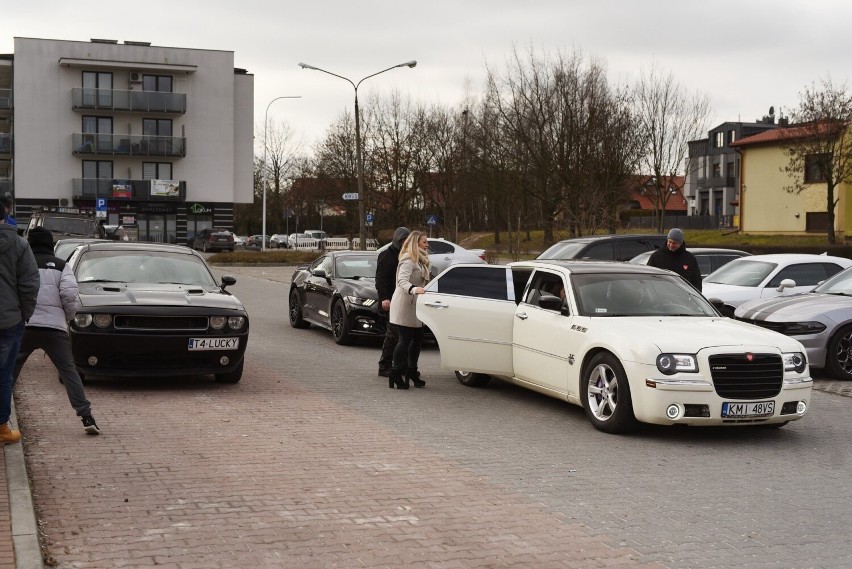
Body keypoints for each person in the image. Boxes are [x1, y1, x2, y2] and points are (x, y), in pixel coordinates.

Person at [13, 228, 100, 434]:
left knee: (9, 371)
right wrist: (67, 318)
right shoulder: (62, 266)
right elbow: (69, 295)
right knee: (69, 372)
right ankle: (86, 416)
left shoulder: (20, 265)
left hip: (25, 326)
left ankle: (2, 418)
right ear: (51, 244)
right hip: (54, 329)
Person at [0, 216, 39, 444]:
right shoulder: (19, 244)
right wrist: (24, 313)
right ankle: (2, 428)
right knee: (3, 375)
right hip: (8, 320)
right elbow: (30, 284)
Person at [388, 231, 430, 390]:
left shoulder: (422, 260)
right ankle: (396, 372)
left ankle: (412, 371)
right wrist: (414, 289)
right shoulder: (408, 260)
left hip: (415, 305)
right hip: (405, 303)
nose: (427, 245)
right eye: (424, 242)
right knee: (404, 339)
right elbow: (401, 281)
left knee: (418, 339)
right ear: (416, 243)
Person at [375, 226, 410, 377]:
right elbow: (381, 279)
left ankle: (402, 365)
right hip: (391, 300)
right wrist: (384, 298)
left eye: (406, 240)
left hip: (405, 300)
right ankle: (385, 365)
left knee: (405, 336)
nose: (404, 243)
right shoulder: (386, 255)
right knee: (393, 335)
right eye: (402, 240)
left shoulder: (408, 256)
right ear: (397, 240)